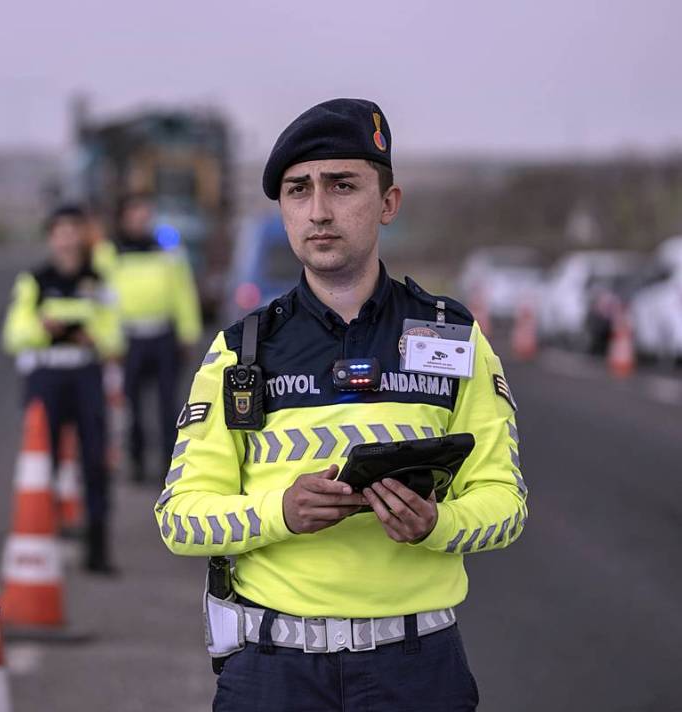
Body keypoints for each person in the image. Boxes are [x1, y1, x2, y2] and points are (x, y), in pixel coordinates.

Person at [154, 99, 528, 710]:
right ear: (282, 207)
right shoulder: (239, 352)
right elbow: (179, 518)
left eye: (342, 185)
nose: (320, 210)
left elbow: (506, 503)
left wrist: (439, 526)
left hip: (418, 670)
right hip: (272, 672)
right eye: (299, 190)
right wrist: (282, 510)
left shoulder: (454, 340)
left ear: (388, 203)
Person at [2, 204, 122, 574]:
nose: (68, 239)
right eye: (60, 231)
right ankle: (42, 542)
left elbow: (115, 336)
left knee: (95, 464)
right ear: (51, 237)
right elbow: (13, 336)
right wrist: (45, 329)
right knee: (43, 464)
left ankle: (98, 549)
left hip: (85, 376)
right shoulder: (34, 281)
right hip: (47, 378)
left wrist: (92, 337)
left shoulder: (99, 283)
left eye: (74, 231)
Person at [99, 194, 202, 485]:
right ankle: (136, 460)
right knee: (131, 404)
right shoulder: (109, 253)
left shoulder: (167, 249)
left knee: (168, 403)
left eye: (145, 213)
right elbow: (103, 301)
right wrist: (109, 342)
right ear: (123, 217)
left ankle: (168, 464)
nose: (141, 219)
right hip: (128, 339)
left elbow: (183, 291)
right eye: (135, 213)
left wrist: (188, 332)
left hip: (163, 336)